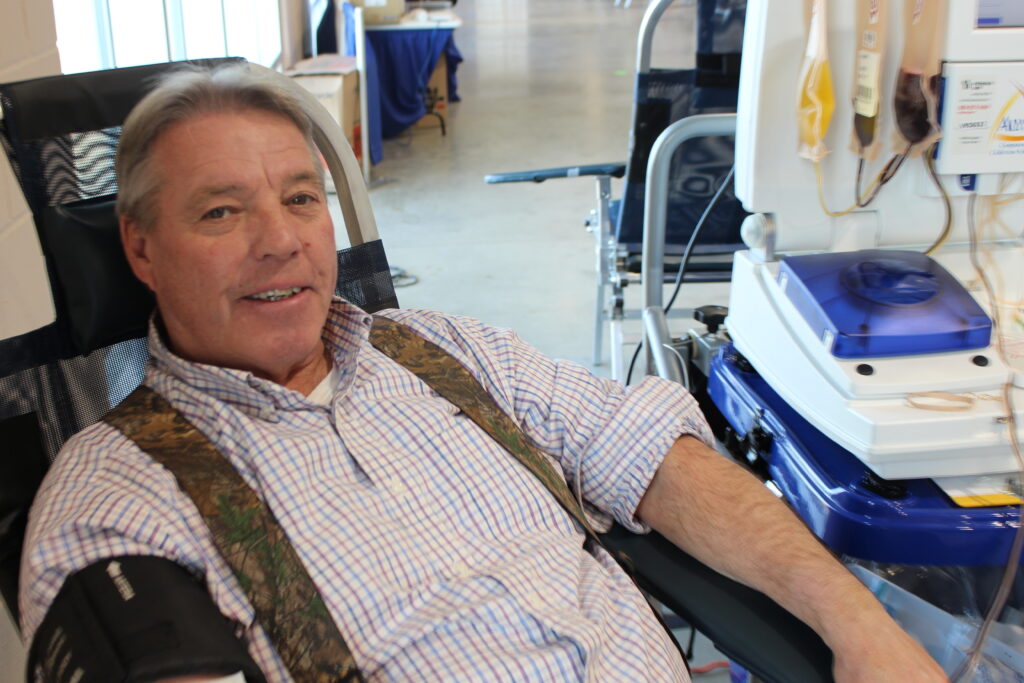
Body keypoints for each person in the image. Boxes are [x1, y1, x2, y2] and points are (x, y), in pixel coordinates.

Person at [19, 63, 945, 682]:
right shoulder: (119, 495)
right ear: (139, 247)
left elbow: (656, 457)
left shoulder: (441, 350)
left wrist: (854, 619)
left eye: (302, 198)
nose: (281, 242)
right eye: (222, 212)